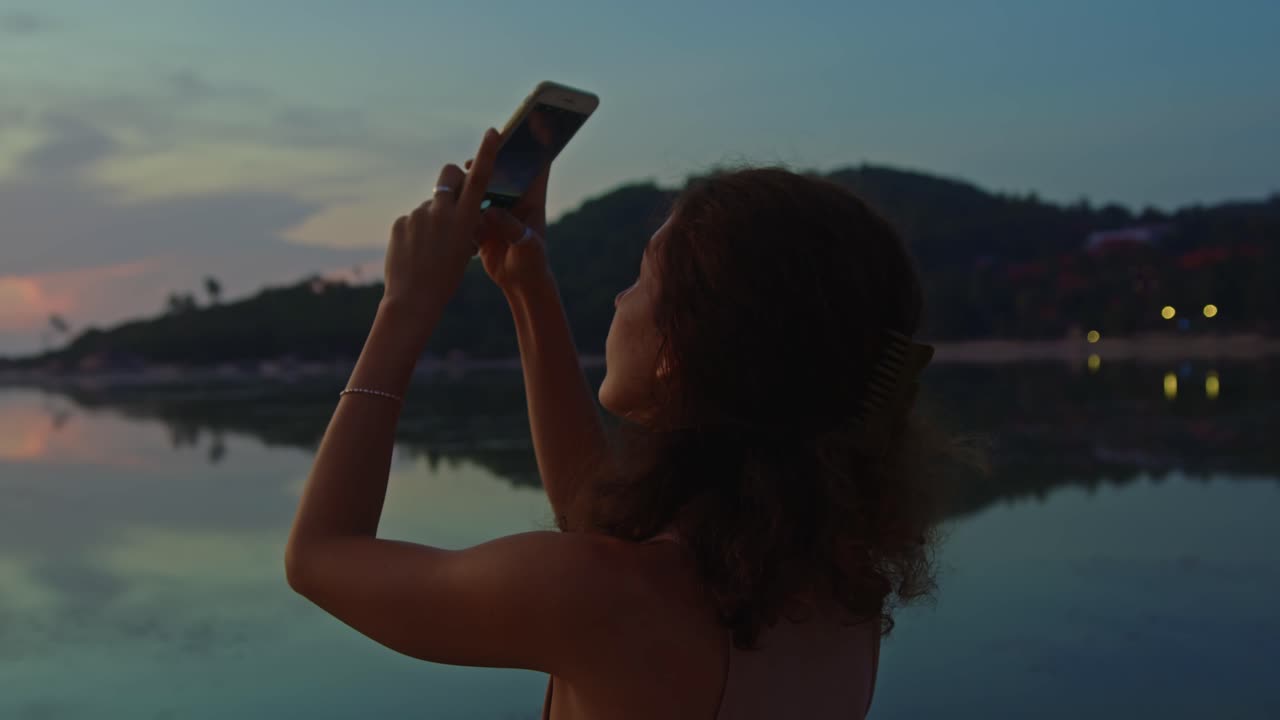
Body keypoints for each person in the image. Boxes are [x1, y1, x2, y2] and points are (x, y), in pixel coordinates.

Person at [285, 127, 959, 719]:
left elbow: (321, 556)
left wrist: (406, 302)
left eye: (640, 277)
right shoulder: (839, 593)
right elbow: (601, 523)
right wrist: (527, 285)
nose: (619, 297)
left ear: (680, 348)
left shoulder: (607, 597)